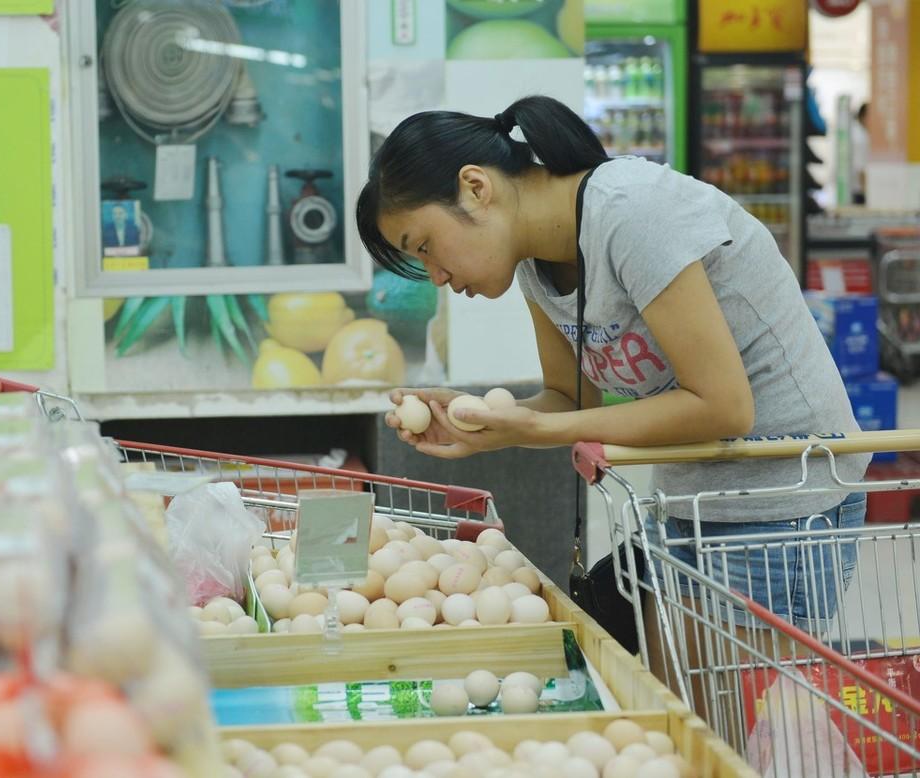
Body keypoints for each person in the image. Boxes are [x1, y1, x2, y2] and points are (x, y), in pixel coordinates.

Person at [356, 95, 869, 674]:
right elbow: (568, 401)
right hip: (693, 500)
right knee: (677, 718)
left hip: (783, 501)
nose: (437, 277)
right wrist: (485, 425)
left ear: (476, 187)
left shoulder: (630, 212)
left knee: (721, 738)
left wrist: (539, 426)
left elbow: (724, 407)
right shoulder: (535, 260)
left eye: (424, 246)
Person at [851, 102, 869, 205]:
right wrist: (866, 193)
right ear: (863, 116)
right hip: (858, 191)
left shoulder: (857, 132)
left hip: (855, 189)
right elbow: (860, 168)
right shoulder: (859, 137)